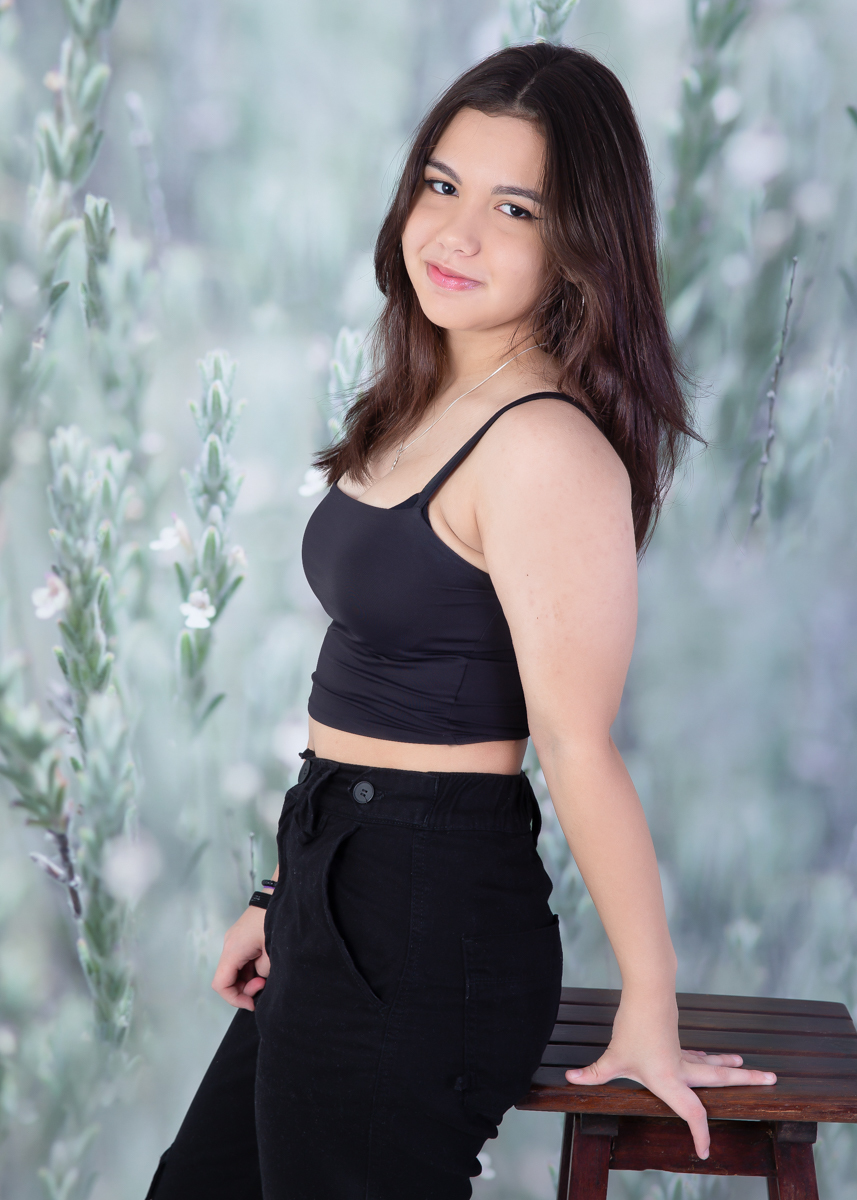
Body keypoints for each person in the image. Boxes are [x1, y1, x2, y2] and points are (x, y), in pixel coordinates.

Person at [146, 41, 776, 1200]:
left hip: (422, 910)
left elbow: (576, 746)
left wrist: (648, 1003)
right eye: (441, 186)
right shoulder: (425, 397)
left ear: (579, 243)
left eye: (514, 208)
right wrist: (283, 893)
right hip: (338, 871)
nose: (456, 233)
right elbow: (365, 675)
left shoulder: (539, 445)